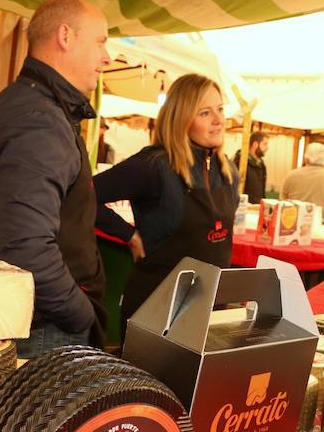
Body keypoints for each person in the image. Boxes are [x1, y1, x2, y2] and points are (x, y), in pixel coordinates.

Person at [0, 0, 111, 358]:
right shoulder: (38, 119)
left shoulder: (31, 105)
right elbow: (27, 250)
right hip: (45, 328)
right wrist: (82, 314)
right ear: (66, 36)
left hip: (40, 321)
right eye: (101, 41)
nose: (107, 57)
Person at [94, 74, 239, 338]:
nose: (219, 120)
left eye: (220, 109)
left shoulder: (227, 169)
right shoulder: (154, 166)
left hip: (209, 313)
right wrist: (128, 235)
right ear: (181, 117)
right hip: (157, 314)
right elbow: (82, 195)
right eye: (205, 113)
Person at [280, 142, 324, 225]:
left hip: (295, 226)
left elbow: (282, 201)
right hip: (323, 227)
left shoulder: (291, 175)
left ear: (306, 158)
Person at [233, 131, 268, 203]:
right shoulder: (240, 162)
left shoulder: (261, 165)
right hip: (243, 207)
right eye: (265, 144)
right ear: (255, 145)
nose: (267, 148)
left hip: (256, 207)